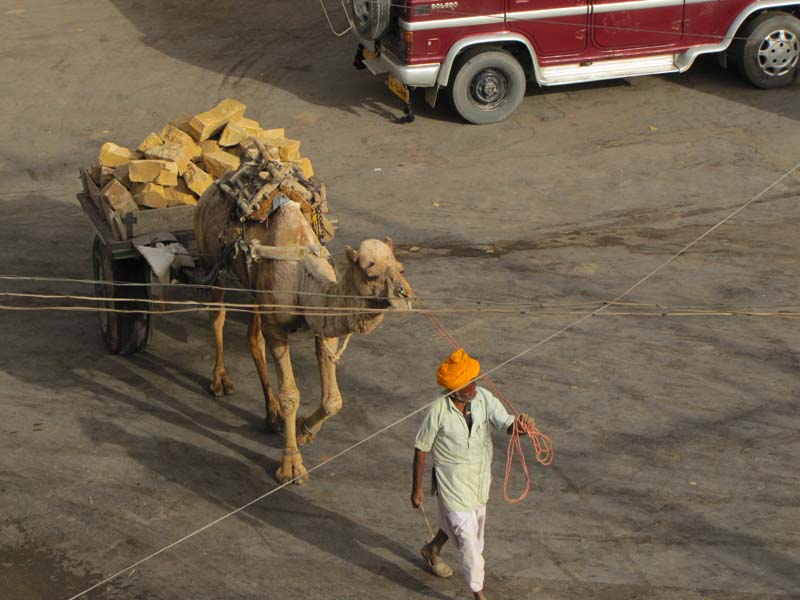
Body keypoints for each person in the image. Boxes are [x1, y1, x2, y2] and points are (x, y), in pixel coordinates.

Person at [411, 348, 536, 600]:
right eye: (468, 384)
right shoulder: (438, 409)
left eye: (474, 381)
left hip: (479, 481)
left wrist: (522, 426)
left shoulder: (483, 398)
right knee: (469, 541)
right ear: (453, 390)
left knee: (470, 527)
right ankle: (478, 593)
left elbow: (506, 423)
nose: (473, 387)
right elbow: (421, 447)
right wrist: (417, 488)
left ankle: (432, 549)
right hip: (452, 484)